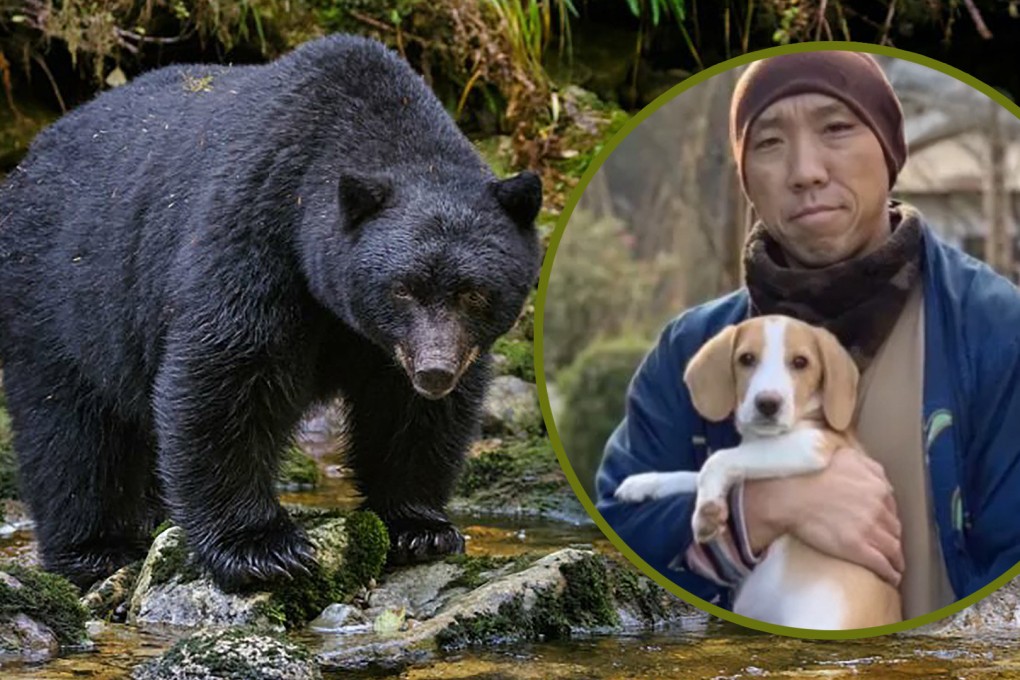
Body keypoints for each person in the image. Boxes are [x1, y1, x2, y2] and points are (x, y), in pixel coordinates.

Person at [596, 50, 1020, 619]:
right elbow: (612, 539)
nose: (806, 171)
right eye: (769, 142)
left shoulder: (994, 328)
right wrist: (761, 510)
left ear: (892, 151)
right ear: (746, 178)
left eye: (837, 128)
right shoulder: (691, 347)